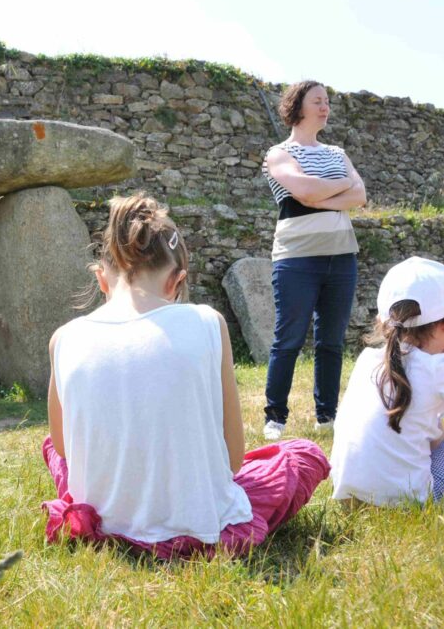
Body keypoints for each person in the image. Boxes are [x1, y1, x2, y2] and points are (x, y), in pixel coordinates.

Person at [41, 192, 330, 559]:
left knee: (52, 444)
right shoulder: (208, 322)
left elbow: (65, 448)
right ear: (176, 281)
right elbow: (233, 459)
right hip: (200, 527)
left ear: (101, 279)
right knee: (302, 454)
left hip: (105, 519)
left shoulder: (64, 338)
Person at [330, 257, 444, 507]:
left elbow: (431, 447)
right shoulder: (437, 368)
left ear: (382, 321)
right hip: (416, 503)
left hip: (353, 501)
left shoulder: (368, 360)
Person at [261, 80, 368, 440]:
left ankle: (327, 415)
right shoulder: (278, 153)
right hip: (296, 260)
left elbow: (361, 195)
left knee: (331, 342)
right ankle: (275, 416)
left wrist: (318, 197)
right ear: (298, 106)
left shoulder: (337, 152)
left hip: (342, 258)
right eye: (317, 101)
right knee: (288, 339)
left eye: (327, 102)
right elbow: (303, 190)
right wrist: (335, 188)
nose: (325, 107)